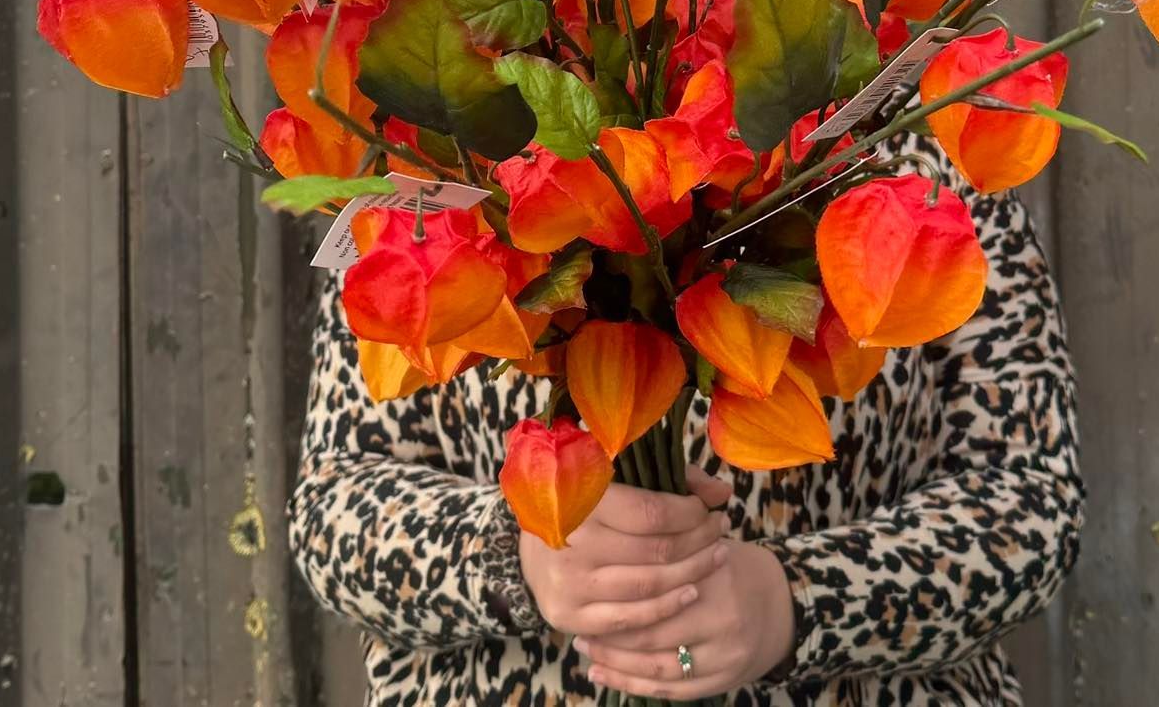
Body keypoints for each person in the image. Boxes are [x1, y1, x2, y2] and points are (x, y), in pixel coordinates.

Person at [287, 134, 1084, 705]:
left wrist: (796, 602)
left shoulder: (919, 155)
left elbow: (1030, 497)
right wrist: (518, 555)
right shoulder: (436, 165)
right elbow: (334, 506)